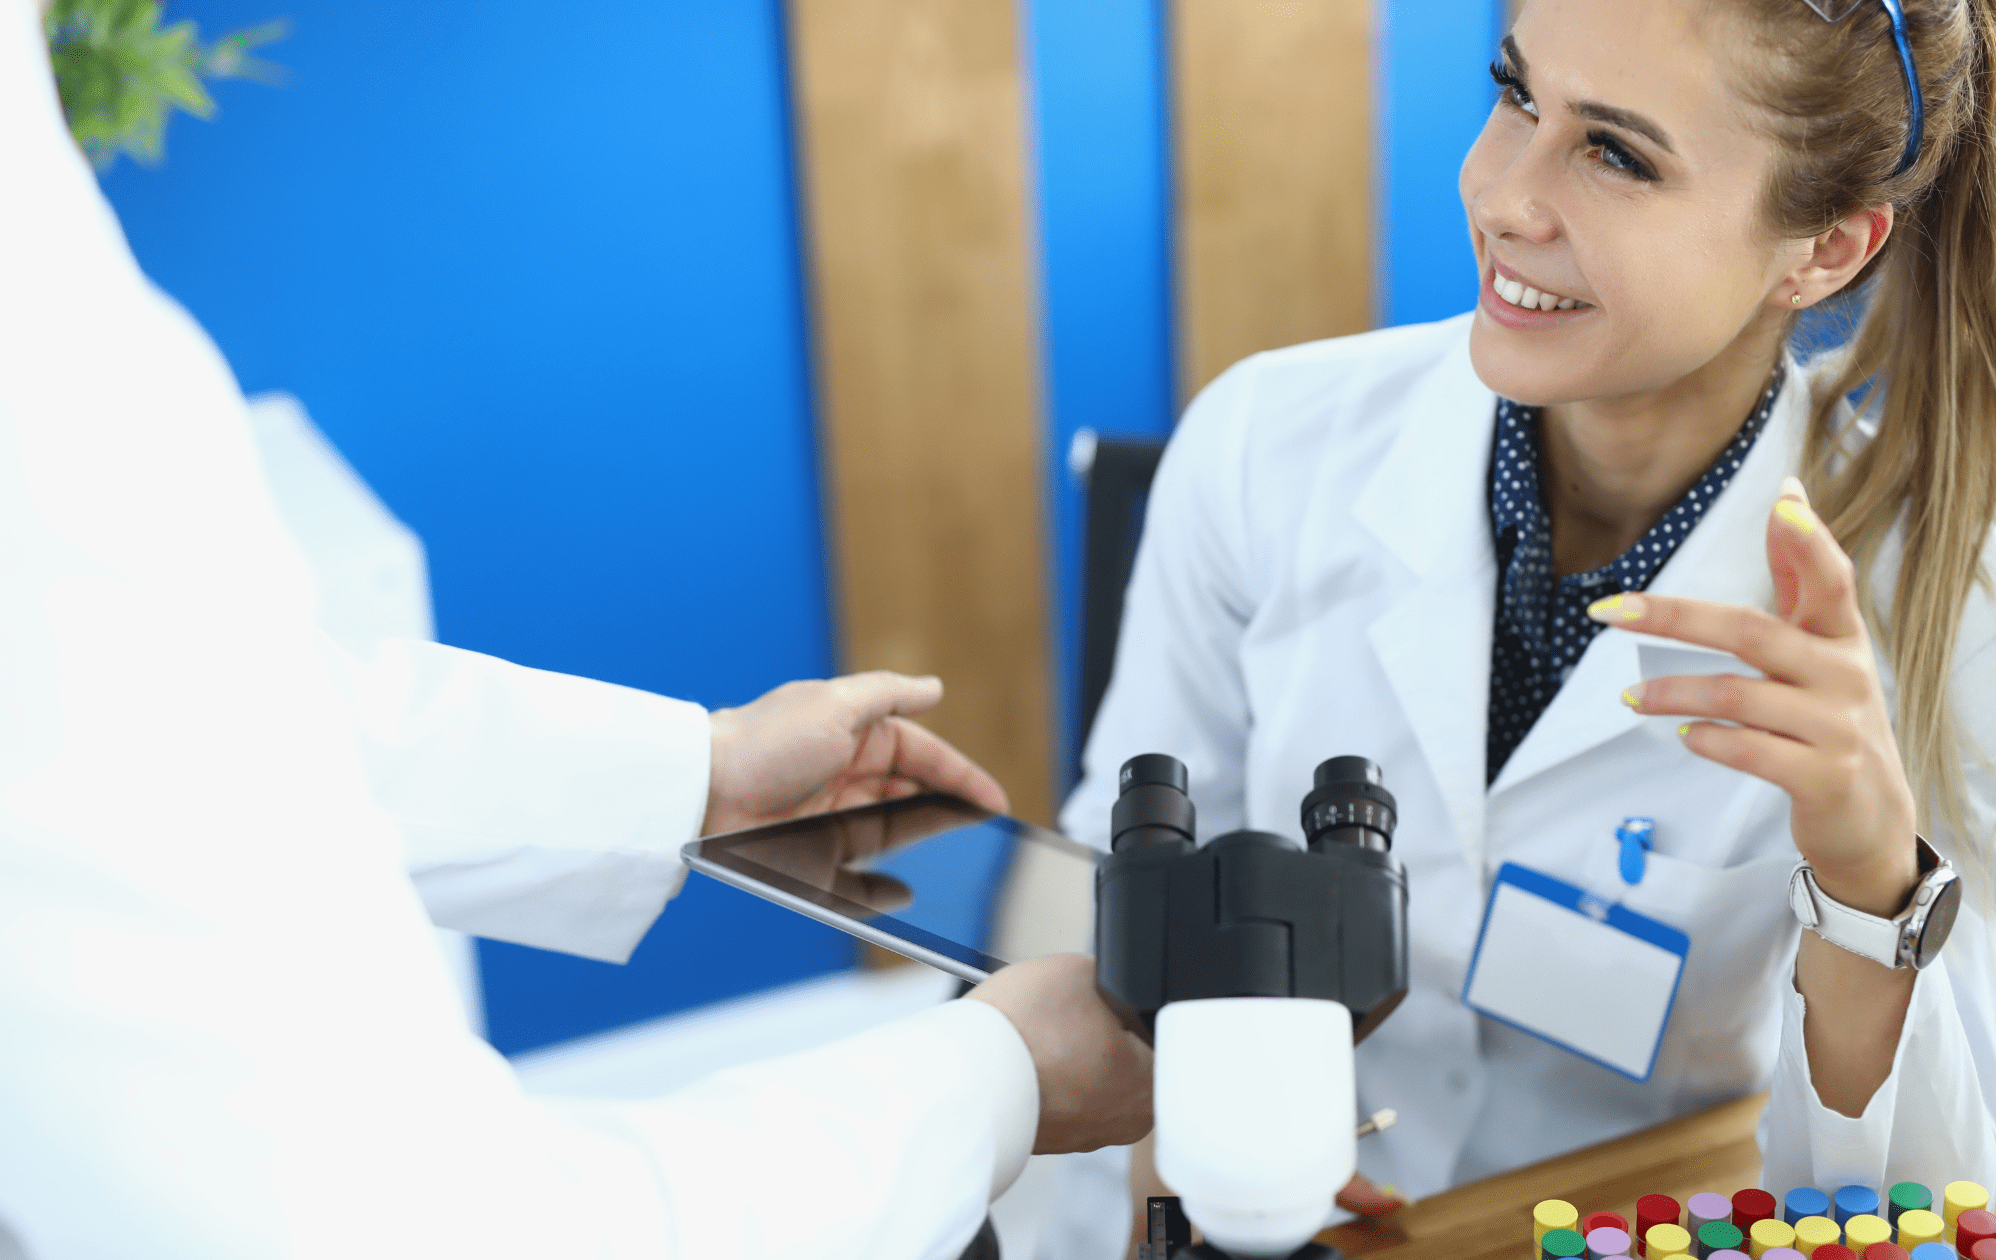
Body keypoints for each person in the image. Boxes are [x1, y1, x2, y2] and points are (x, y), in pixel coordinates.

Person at [0, 4, 1150, 1256]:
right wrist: (997, 1079)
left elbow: (176, 722)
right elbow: (397, 1230)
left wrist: (691, 771)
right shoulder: (54, 379)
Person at [1043, 0, 1996, 1252]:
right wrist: (1193, 1097)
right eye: (1515, 93)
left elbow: (1922, 1208)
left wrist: (1870, 886)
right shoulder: (1263, 442)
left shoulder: (1953, 618)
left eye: (1614, 153)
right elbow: (1113, 883)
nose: (1501, 193)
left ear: (1820, 252)